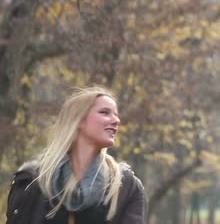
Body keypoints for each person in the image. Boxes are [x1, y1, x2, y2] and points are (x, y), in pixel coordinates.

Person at [6, 86, 147, 224]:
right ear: (79, 120)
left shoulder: (127, 187)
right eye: (105, 112)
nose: (116, 120)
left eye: (116, 114)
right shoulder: (32, 180)